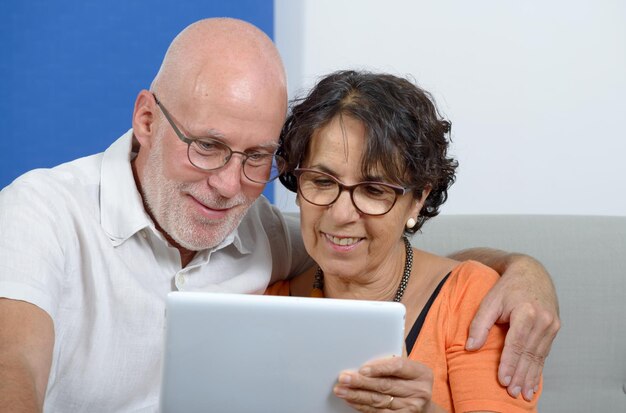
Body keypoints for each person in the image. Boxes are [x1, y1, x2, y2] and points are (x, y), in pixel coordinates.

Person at [0, 18, 558, 412]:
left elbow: (374, 253)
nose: (226, 185)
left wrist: (520, 268)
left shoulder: (261, 237)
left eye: (256, 157)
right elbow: (13, 365)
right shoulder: (42, 212)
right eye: (207, 144)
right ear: (146, 119)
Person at [268, 70, 546, 412]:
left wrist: (425, 410)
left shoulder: (473, 304)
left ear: (418, 198)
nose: (341, 214)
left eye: (374, 190)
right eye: (322, 182)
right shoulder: (266, 302)